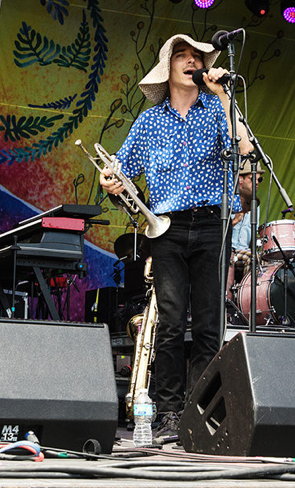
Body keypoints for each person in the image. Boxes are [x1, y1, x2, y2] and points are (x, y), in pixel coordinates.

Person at [100, 34, 251, 442]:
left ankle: (202, 413)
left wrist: (222, 95)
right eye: (182, 56)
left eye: (197, 57)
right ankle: (168, 414)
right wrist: (111, 180)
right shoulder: (149, 122)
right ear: (167, 70)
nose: (192, 62)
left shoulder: (218, 110)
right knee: (170, 322)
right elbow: (121, 169)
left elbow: (246, 155)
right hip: (165, 227)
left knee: (207, 325)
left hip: (211, 224)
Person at [231, 158, 264, 279]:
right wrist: (236, 219)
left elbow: (252, 239)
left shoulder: (255, 205)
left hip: (244, 251)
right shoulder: (227, 200)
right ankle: (245, 296)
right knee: (252, 258)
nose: (256, 182)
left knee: (266, 260)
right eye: (252, 178)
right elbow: (217, 231)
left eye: (259, 179)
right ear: (240, 179)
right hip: (227, 252)